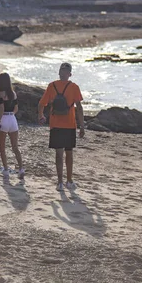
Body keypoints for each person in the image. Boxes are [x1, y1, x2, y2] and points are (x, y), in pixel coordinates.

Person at [38, 62, 85, 191]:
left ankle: (60, 183)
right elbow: (79, 108)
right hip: (69, 125)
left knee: (59, 154)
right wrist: (82, 126)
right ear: (70, 74)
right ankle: (68, 181)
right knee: (68, 154)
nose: (64, 73)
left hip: (56, 125)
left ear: (61, 72)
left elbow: (42, 104)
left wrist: (41, 116)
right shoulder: (74, 87)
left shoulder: (52, 86)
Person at [0, 73, 24, 180]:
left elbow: (1, 109)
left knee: (2, 148)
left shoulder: (0, 95)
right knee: (15, 147)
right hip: (12, 119)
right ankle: (21, 169)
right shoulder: (13, 94)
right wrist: (11, 115)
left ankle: (6, 170)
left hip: (4, 119)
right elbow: (16, 109)